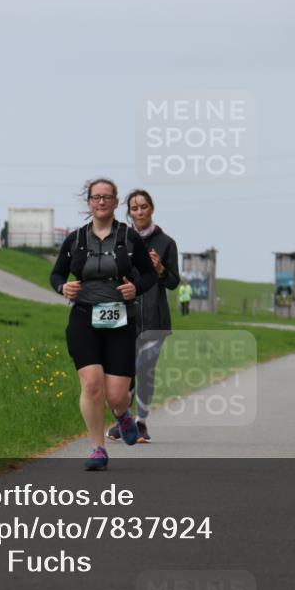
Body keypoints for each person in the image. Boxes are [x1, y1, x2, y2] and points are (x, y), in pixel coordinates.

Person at [49, 178, 157, 470]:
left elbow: (149, 276)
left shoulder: (129, 238)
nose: (100, 202)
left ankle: (122, 415)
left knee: (116, 394)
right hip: (84, 318)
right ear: (88, 203)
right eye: (96, 197)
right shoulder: (76, 239)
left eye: (106, 197)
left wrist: (135, 289)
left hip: (120, 320)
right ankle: (98, 448)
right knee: (92, 385)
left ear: (115, 202)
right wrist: (63, 288)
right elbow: (56, 275)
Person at [105, 189, 179, 444]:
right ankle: (123, 421)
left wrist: (160, 269)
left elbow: (173, 283)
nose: (139, 212)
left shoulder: (167, 243)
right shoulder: (120, 239)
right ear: (129, 212)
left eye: (144, 207)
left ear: (152, 208)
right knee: (123, 373)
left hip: (154, 319)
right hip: (124, 316)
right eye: (134, 208)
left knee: (145, 370)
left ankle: (142, 423)